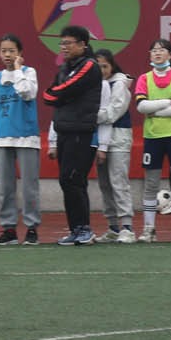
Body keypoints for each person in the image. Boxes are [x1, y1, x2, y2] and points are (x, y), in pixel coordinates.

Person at [43, 24, 103, 245]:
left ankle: (84, 229)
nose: (63, 47)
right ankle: (76, 229)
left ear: (82, 44)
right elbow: (48, 95)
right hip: (64, 130)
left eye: (68, 43)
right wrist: (61, 95)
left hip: (80, 131)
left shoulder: (89, 66)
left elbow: (64, 90)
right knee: (67, 181)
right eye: (62, 43)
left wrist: (61, 95)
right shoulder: (65, 68)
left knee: (73, 179)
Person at [132, 38, 171, 244]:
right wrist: (168, 102)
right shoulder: (144, 79)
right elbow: (141, 106)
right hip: (153, 136)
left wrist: (156, 111)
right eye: (153, 50)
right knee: (151, 184)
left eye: (161, 50)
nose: (157, 53)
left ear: (170, 54)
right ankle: (148, 229)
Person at [0, 35, 42, 245]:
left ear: (20, 53)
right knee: (5, 187)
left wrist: (18, 70)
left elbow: (27, 93)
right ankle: (9, 228)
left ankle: (31, 228)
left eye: (11, 51)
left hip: (26, 136)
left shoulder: (29, 73)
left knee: (29, 186)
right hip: (2, 137)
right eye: (3, 51)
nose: (7, 55)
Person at [92, 48, 134, 241]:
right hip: (98, 139)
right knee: (105, 184)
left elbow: (114, 112)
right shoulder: (93, 84)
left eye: (105, 66)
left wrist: (87, 116)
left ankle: (127, 227)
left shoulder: (119, 84)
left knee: (119, 182)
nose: (102, 70)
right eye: (98, 66)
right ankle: (113, 227)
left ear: (112, 66)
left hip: (118, 138)